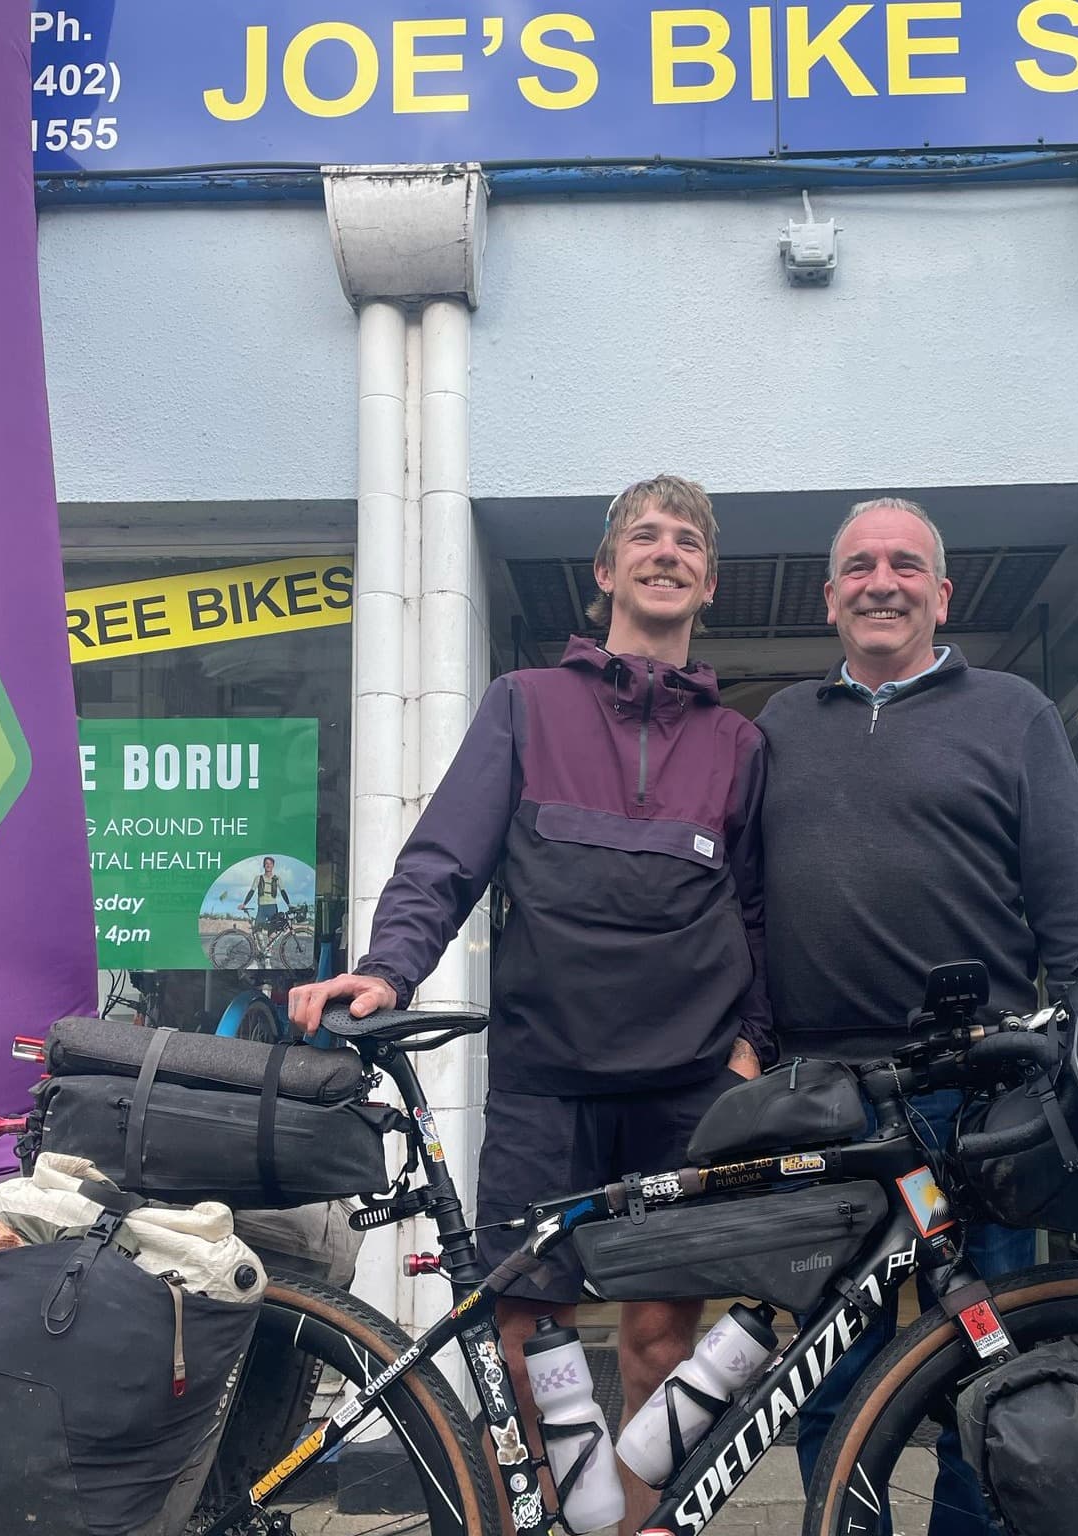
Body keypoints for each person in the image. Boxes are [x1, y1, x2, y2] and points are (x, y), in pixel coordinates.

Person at [289, 474, 774, 1533]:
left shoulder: (737, 744)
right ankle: (564, 1521)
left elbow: (758, 911)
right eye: (644, 537)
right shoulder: (523, 702)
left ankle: (636, 1525)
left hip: (687, 1087)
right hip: (544, 1083)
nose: (666, 551)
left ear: (707, 580)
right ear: (607, 572)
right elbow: (446, 859)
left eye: (686, 541)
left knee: (660, 1343)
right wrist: (390, 968)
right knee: (537, 1346)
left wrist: (750, 1047)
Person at [756, 497, 1078, 1536]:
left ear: (941, 591)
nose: (883, 581)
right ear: (829, 598)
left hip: (988, 1092)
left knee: (994, 1366)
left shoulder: (1014, 711)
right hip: (828, 1103)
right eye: (860, 566)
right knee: (837, 1378)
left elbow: (1076, 911)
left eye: (906, 565)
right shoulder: (779, 724)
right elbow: (741, 901)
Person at [240, 856, 290, 930]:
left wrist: (289, 904)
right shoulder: (258, 878)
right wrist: (244, 904)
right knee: (257, 929)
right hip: (261, 907)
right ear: (264, 865)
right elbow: (251, 891)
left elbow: (283, 892)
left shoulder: (277, 878)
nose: (268, 865)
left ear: (273, 865)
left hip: (272, 907)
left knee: (272, 931)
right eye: (266, 863)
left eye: (270, 863)